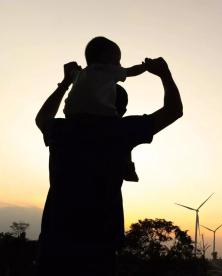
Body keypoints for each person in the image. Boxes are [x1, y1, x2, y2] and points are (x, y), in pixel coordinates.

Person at [35, 57, 182, 276]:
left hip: (55, 240)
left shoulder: (61, 130)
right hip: (99, 245)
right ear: (116, 108)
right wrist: (164, 74)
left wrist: (65, 83)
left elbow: (42, 117)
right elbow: (173, 110)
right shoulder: (120, 131)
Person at [64, 37, 147, 181]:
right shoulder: (107, 70)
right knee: (121, 132)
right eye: (117, 60)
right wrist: (146, 67)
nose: (119, 65)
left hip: (72, 116)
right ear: (104, 57)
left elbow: (70, 72)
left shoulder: (78, 74)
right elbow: (131, 71)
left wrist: (69, 75)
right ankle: (127, 166)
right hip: (102, 117)